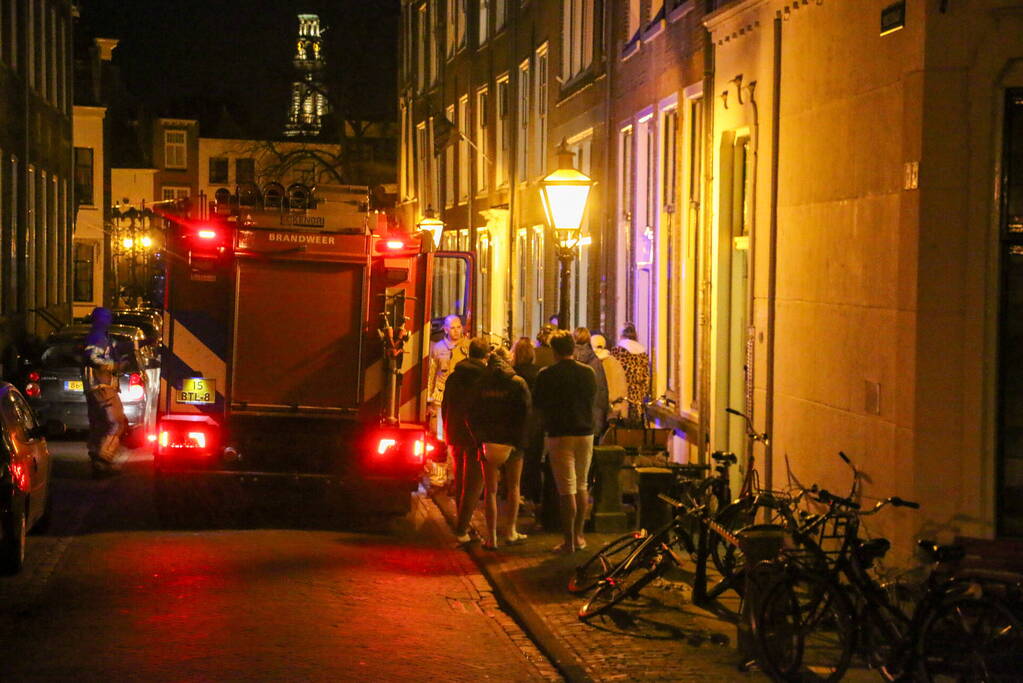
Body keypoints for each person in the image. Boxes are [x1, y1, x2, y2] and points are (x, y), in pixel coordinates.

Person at [532, 329, 596, 553]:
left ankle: (568, 541)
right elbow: (592, 400)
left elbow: (538, 406)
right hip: (585, 433)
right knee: (582, 485)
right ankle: (579, 536)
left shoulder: (546, 375)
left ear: (554, 351)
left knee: (566, 488)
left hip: (560, 434)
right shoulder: (588, 373)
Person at [467, 352, 531, 549]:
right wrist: (520, 440)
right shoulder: (518, 383)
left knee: (491, 491)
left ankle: (492, 537)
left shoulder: (481, 383)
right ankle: (511, 531)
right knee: (514, 487)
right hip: (512, 442)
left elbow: (471, 413)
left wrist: (479, 438)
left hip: (488, 441)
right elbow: (526, 413)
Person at [442, 336, 491, 543]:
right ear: (486, 355)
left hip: (455, 433)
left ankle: (462, 523)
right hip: (475, 436)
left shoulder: (455, 376)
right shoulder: (485, 379)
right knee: (473, 484)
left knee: (461, 480)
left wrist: (447, 431)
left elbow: (446, 405)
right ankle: (462, 529)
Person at [82, 307, 128, 477]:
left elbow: (119, 346)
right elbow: (92, 357)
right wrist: (114, 366)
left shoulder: (99, 336)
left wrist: (142, 343)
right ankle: (104, 458)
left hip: (94, 389)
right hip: (102, 387)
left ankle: (96, 459)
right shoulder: (98, 337)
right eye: (107, 319)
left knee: (99, 425)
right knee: (116, 423)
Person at [427, 314, 469, 487]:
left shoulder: (467, 346)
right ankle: (445, 475)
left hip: (461, 397)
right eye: (452, 327)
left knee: (457, 436)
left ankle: (455, 476)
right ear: (445, 329)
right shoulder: (437, 348)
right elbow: (431, 373)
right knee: (442, 437)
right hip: (441, 396)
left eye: (459, 327)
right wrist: (429, 398)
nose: (457, 330)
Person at [511, 337, 543, 507]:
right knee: (534, 459)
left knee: (516, 460)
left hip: (516, 421)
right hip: (535, 421)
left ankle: (518, 493)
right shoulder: (539, 373)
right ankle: (533, 493)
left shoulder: (512, 373)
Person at [610, 323, 651, 425]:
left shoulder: (616, 351)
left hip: (620, 398)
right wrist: (642, 394)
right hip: (637, 399)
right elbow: (646, 378)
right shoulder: (642, 354)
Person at [573, 327, 610, 439]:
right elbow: (601, 392)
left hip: (569, 420)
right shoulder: (595, 362)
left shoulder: (568, 358)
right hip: (590, 419)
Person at [591, 334, 628, 423]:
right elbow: (622, 386)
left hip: (595, 407)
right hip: (613, 407)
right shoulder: (614, 362)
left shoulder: (590, 362)